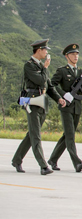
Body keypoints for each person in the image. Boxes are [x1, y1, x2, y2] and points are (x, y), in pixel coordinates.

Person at [12, 39, 67, 175]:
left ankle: (17, 159)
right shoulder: (29, 65)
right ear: (39, 50)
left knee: (32, 134)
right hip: (31, 102)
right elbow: (40, 80)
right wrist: (45, 68)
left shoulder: (41, 66)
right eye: (45, 50)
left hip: (42, 102)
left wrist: (59, 98)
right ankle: (43, 166)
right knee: (36, 135)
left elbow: (48, 86)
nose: (46, 53)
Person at [48, 44, 82, 172]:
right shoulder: (62, 71)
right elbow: (51, 85)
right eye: (72, 54)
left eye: (77, 54)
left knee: (67, 135)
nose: (75, 56)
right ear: (67, 56)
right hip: (66, 106)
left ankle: (53, 159)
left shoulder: (81, 72)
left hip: (77, 106)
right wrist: (63, 94)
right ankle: (77, 162)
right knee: (70, 135)